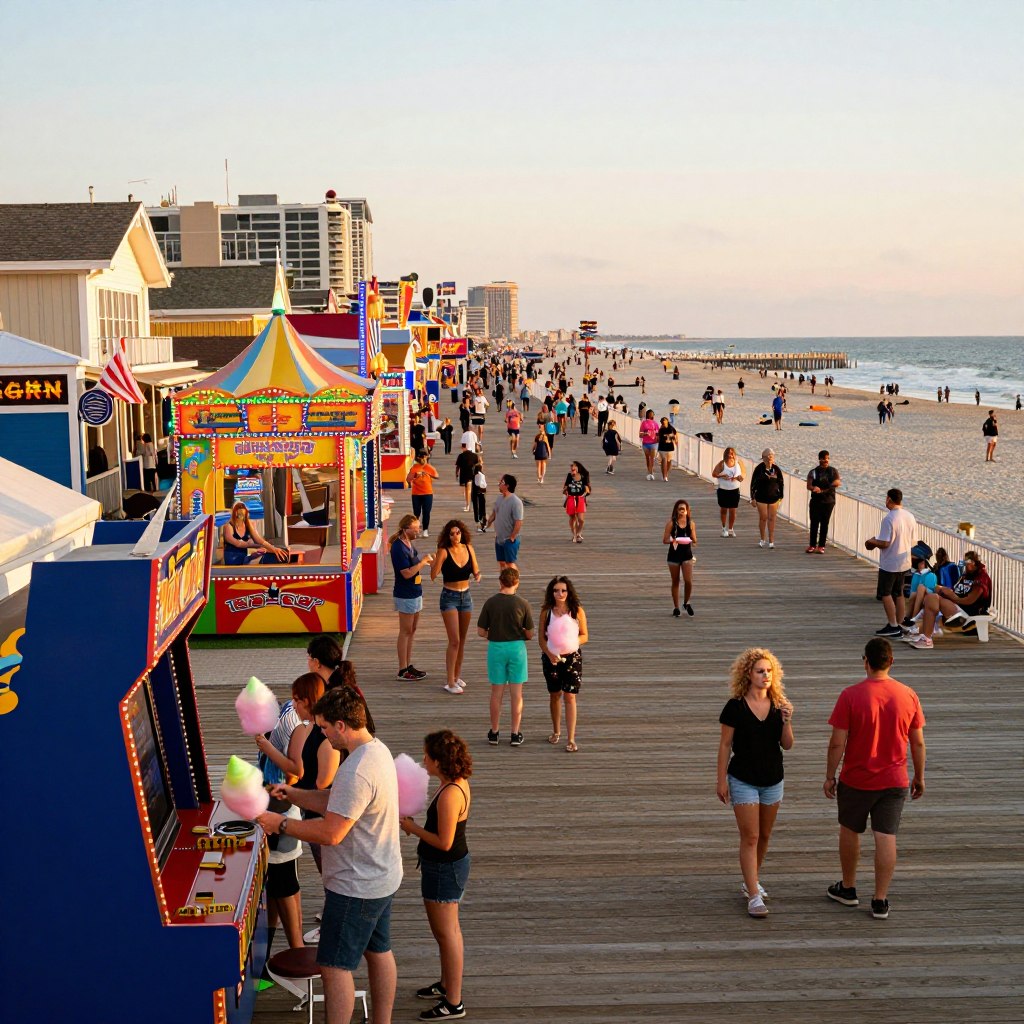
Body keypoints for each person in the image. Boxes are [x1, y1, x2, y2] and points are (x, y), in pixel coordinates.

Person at [256, 687, 403, 1024]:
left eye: (323, 728)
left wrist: (280, 824)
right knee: (379, 952)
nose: (320, 734)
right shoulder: (375, 752)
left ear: (341, 725)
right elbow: (336, 802)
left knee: (334, 966)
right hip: (382, 876)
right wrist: (292, 794)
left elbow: (331, 833)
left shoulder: (356, 770)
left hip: (355, 886)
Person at [824, 639, 925, 920]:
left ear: (865, 661)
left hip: (856, 779)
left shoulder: (850, 695)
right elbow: (917, 743)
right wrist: (919, 775)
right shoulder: (908, 695)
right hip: (895, 780)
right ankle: (880, 899)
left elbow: (837, 743)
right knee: (886, 836)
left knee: (850, 829)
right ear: (891, 662)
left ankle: (848, 887)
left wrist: (829, 776)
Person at [400, 731, 473, 1021]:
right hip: (447, 866)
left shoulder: (450, 794)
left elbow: (444, 841)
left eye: (427, 757)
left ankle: (453, 1002)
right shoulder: (454, 784)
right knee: (446, 934)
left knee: (448, 934)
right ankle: (446, 984)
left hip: (445, 868)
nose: (423, 761)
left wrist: (411, 827)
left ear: (440, 762)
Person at [717, 648, 794, 918]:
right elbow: (725, 745)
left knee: (764, 835)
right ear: (748, 674)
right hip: (742, 778)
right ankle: (753, 895)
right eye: (760, 671)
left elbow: (787, 744)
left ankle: (751, 880)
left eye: (769, 671)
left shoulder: (778, 705)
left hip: (773, 778)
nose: (765, 676)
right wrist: (721, 779)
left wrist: (787, 721)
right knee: (750, 836)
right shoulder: (735, 707)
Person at [255, 673, 316, 952]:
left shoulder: (302, 724)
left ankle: (297, 952)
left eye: (297, 698)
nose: (292, 702)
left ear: (307, 701)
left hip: (284, 811)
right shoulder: (293, 713)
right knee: (278, 885)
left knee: (286, 885)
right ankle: (271, 947)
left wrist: (267, 746)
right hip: (273, 803)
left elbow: (296, 770)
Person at [477, 567, 535, 747]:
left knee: (497, 693)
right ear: (517, 583)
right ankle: (515, 734)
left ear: (500, 582)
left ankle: (494, 732)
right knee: (516, 694)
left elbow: (480, 631)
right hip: (517, 648)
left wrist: (493, 635)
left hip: (496, 648)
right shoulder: (523, 603)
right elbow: (530, 634)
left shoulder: (490, 603)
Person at [430, 520, 482, 694]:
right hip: (449, 597)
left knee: (462, 640)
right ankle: (450, 681)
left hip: (465, 596)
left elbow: (476, 569)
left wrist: (477, 575)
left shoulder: (469, 548)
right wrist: (434, 561)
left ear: (462, 533)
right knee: (454, 640)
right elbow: (433, 575)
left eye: (458, 533)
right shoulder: (444, 552)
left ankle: (457, 675)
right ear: (448, 536)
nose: (455, 536)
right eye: (452, 534)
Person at [538, 576, 588, 753]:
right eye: (556, 590)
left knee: (570, 696)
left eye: (563, 590)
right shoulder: (546, 612)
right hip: (551, 659)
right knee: (554, 694)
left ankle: (571, 738)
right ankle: (556, 731)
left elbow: (585, 635)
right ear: (551, 592)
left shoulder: (577, 611)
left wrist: (572, 642)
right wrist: (550, 653)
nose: (560, 593)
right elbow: (541, 639)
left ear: (569, 592)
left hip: (572, 658)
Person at [904, 550, 992, 650]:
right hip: (956, 605)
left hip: (966, 611)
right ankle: (920, 631)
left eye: (966, 563)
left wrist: (952, 597)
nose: (964, 566)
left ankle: (925, 637)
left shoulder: (981, 579)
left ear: (973, 563)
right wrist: (944, 591)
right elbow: (957, 591)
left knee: (932, 598)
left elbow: (969, 601)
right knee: (932, 592)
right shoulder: (967, 574)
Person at [864, 488, 917, 638]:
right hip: (904, 562)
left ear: (889, 499)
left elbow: (885, 543)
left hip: (890, 564)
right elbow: (914, 542)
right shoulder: (910, 516)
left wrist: (872, 542)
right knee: (898, 593)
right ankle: (900, 623)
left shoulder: (889, 519)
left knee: (885, 593)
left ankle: (893, 625)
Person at [389, 514, 433, 680]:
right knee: (405, 631)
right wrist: (422, 563)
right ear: (406, 529)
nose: (419, 531)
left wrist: (423, 560)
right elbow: (406, 573)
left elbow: (413, 563)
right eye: (416, 528)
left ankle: (408, 664)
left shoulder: (409, 544)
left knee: (412, 630)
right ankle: (402, 669)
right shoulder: (398, 548)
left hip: (415, 591)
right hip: (405, 593)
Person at [222, 501, 289, 564]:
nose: (241, 517)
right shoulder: (228, 527)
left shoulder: (249, 524)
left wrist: (272, 548)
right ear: (235, 513)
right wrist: (266, 547)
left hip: (247, 556)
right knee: (269, 556)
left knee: (279, 553)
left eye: (243, 514)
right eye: (239, 514)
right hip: (234, 558)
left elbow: (258, 539)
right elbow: (238, 544)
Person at [663, 498, 697, 616]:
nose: (682, 511)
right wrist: (674, 539)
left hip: (687, 554)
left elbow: (694, 539)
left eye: (684, 509)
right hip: (674, 554)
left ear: (687, 511)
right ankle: (676, 607)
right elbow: (665, 540)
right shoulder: (671, 523)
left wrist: (690, 540)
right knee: (675, 580)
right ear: (676, 510)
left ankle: (686, 602)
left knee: (688, 581)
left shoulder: (691, 523)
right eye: (680, 509)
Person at [806, 450, 841, 553]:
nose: (826, 460)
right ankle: (812, 545)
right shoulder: (813, 472)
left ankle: (821, 546)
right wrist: (814, 488)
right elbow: (808, 485)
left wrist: (827, 487)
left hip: (828, 501)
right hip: (816, 501)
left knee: (825, 523)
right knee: (814, 522)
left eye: (827, 458)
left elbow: (837, 482)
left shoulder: (833, 471)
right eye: (824, 458)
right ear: (820, 459)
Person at [486, 474, 524, 570]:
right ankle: (504, 583)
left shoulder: (516, 502)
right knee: (502, 563)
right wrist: (488, 522)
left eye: (501, 482)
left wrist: (512, 537)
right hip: (499, 538)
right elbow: (495, 512)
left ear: (507, 486)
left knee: (510, 564)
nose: (499, 484)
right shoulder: (499, 498)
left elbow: (518, 521)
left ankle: (514, 582)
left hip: (509, 540)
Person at [750, 449, 784, 549]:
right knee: (763, 517)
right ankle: (762, 539)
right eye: (768, 456)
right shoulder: (759, 469)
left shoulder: (776, 469)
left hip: (774, 496)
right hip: (761, 496)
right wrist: (752, 497)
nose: (770, 458)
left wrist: (781, 496)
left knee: (772, 519)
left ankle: (771, 540)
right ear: (763, 458)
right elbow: (753, 484)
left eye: (772, 456)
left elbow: (781, 483)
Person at [712, 447, 744, 537]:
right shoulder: (722, 464)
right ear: (725, 454)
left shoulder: (739, 463)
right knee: (724, 509)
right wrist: (722, 476)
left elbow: (743, 474)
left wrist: (739, 478)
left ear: (735, 454)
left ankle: (730, 529)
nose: (730, 455)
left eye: (732, 453)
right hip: (723, 490)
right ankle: (723, 528)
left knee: (733, 510)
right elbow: (714, 474)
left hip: (735, 490)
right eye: (729, 453)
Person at [407, 452, 439, 538]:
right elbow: (408, 479)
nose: (423, 460)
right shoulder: (414, 468)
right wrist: (415, 475)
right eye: (422, 458)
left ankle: (425, 530)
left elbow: (437, 476)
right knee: (416, 513)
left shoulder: (429, 467)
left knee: (426, 512)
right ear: (419, 458)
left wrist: (427, 473)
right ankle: (416, 530)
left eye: (425, 458)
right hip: (416, 494)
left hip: (427, 493)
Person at [902, 555, 938, 625]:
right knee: (914, 594)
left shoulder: (931, 574)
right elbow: (913, 591)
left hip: (929, 597)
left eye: (921, 563)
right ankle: (907, 617)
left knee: (921, 587)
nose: (919, 564)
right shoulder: (916, 575)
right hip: (917, 596)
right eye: (918, 563)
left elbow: (932, 590)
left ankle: (914, 617)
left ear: (925, 564)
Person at [562, 461, 591, 543]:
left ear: (578, 469)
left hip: (580, 498)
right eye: (571, 470)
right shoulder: (569, 476)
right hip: (571, 498)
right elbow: (565, 487)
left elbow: (587, 488)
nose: (572, 472)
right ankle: (575, 534)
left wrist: (586, 491)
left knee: (581, 519)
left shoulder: (583, 476)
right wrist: (565, 489)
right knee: (572, 518)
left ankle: (579, 533)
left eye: (574, 470)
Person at [454, 442, 480, 513]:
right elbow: (478, 464)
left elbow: (457, 466)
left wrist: (456, 474)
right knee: (468, 490)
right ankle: (468, 504)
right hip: (471, 474)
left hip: (463, 474)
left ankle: (468, 505)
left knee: (467, 490)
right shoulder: (474, 455)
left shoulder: (461, 455)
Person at [639, 409, 660, 480]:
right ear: (648, 415)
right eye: (652, 414)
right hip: (645, 444)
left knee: (652, 459)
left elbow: (658, 434)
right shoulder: (644, 423)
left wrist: (658, 439)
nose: (653, 415)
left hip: (654, 443)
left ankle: (651, 473)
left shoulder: (656, 423)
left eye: (653, 414)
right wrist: (645, 433)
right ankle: (649, 471)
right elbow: (640, 434)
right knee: (648, 459)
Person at [656, 416, 677, 482]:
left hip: (670, 447)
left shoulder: (672, 428)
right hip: (662, 447)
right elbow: (658, 439)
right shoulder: (661, 430)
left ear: (667, 421)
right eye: (662, 421)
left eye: (665, 421)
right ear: (661, 423)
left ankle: (665, 474)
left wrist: (676, 441)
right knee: (664, 460)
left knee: (669, 462)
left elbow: (676, 435)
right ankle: (664, 476)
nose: (664, 422)